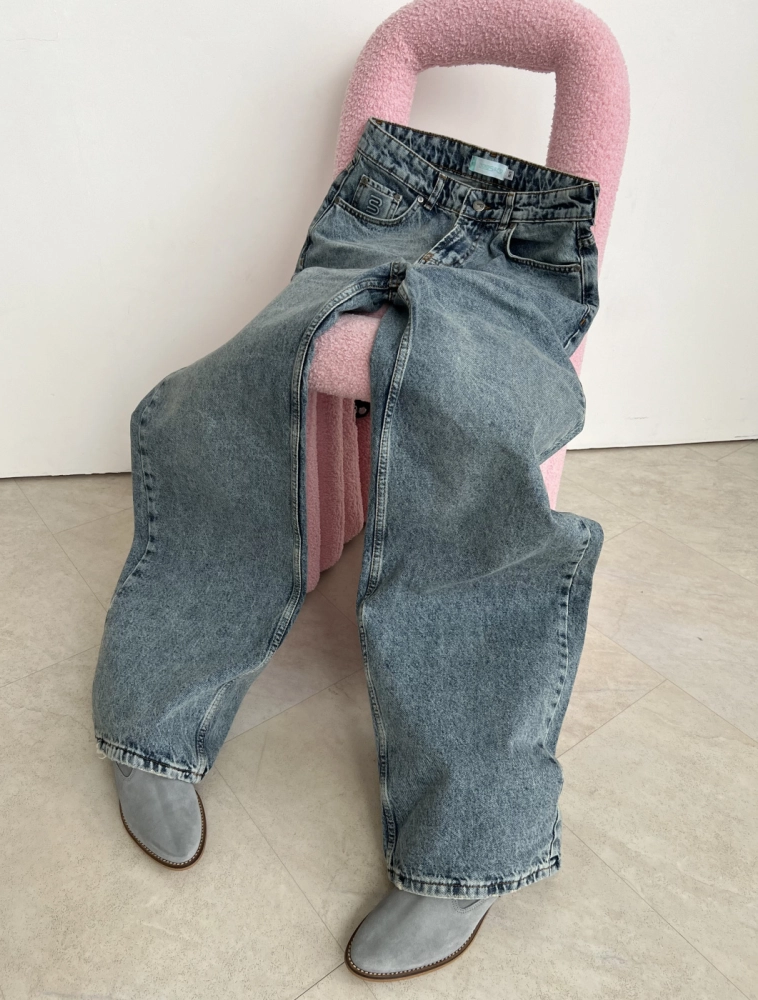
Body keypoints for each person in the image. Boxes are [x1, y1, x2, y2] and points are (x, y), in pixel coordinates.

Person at [92, 118, 603, 982]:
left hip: (529, 251)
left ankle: (468, 846)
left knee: (478, 441)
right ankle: (154, 722)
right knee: (221, 394)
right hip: (387, 197)